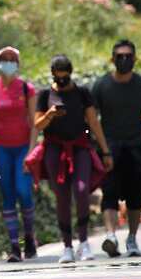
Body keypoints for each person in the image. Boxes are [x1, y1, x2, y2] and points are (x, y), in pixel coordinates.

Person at [31, 54, 114, 264]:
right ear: (52, 75)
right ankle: (67, 245)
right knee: (62, 196)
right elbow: (37, 125)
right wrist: (50, 114)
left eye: (65, 77)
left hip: (80, 147)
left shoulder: (82, 93)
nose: (62, 81)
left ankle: (84, 242)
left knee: (81, 189)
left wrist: (105, 151)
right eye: (58, 78)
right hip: (54, 148)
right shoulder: (45, 95)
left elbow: (94, 123)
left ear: (71, 74)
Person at [93, 40, 141, 258]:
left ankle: (132, 238)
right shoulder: (101, 85)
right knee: (110, 193)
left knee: (135, 196)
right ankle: (111, 236)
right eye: (120, 56)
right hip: (110, 147)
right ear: (112, 59)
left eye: (128, 56)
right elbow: (92, 119)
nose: (124, 60)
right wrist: (101, 149)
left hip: (136, 147)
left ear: (135, 58)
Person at [0, 46, 38, 262]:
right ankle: (15, 245)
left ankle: (30, 235)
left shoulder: (26, 89)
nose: (8, 62)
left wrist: (31, 152)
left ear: (18, 63)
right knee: (8, 196)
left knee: (24, 192)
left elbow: (34, 123)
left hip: (23, 148)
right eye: (5, 59)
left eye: (13, 59)